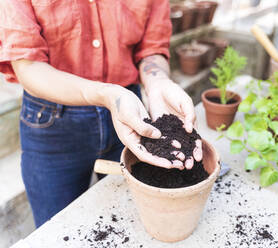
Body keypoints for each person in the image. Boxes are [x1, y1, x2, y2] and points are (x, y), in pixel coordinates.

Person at [0, 0, 202, 228]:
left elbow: (152, 48)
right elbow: (27, 65)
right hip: (53, 124)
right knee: (57, 228)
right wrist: (106, 94)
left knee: (128, 223)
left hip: (130, 113)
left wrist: (158, 83)